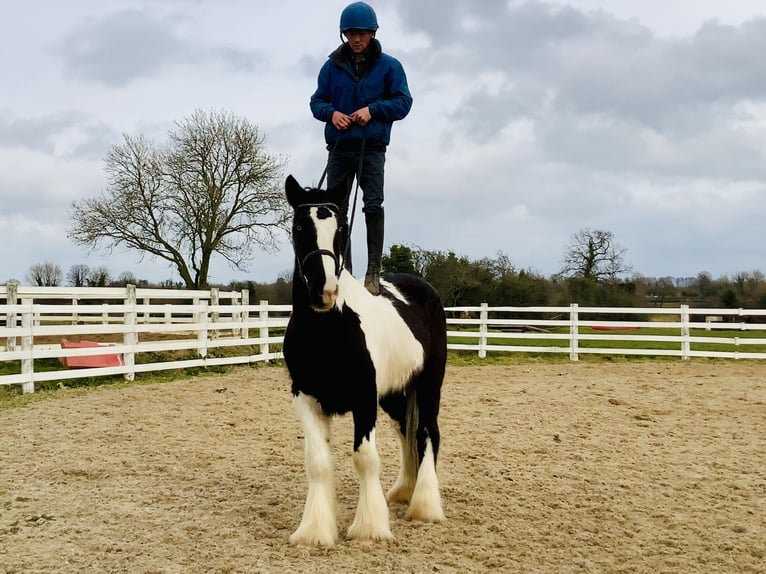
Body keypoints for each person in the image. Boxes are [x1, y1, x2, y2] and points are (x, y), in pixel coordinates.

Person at [310, 1, 412, 295]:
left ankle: (373, 270)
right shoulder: (330, 67)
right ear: (344, 34)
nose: (357, 39)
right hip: (339, 147)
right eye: (351, 33)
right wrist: (332, 113)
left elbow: (404, 102)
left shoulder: (390, 66)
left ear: (373, 33)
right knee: (336, 209)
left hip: (372, 146)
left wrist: (374, 109)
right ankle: (346, 269)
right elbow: (317, 101)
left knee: (372, 204)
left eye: (363, 33)